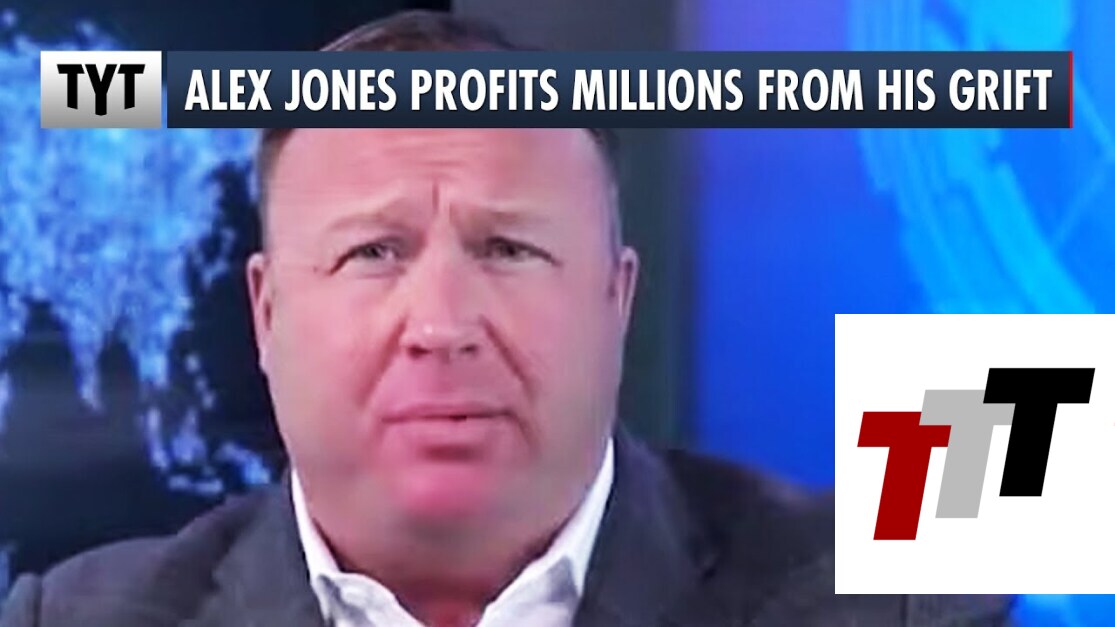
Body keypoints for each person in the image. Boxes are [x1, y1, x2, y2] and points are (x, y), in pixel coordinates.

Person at [0, 10, 1013, 627]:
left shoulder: (893, 599)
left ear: (616, 297)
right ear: (267, 313)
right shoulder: (76, 617)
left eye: (509, 249)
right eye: (373, 252)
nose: (442, 323)